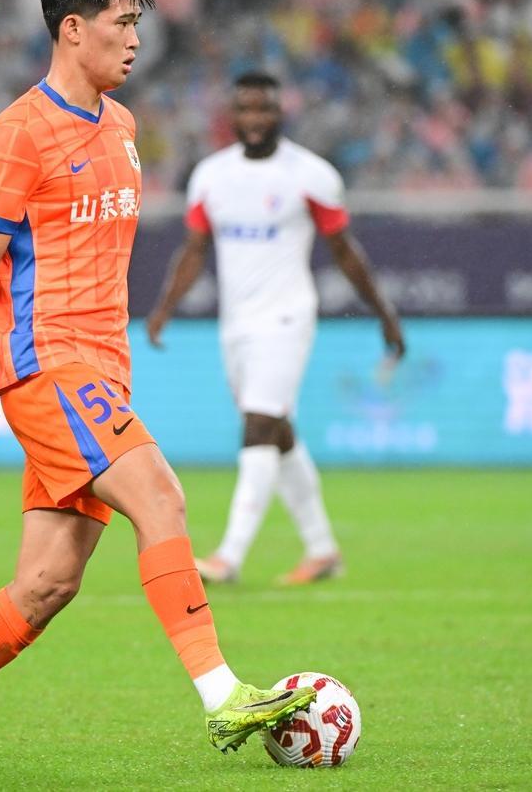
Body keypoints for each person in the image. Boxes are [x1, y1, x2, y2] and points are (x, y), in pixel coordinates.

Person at [0, 0, 316, 765]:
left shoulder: (123, 127)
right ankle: (222, 695)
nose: (137, 40)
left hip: (102, 370)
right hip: (49, 365)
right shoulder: (15, 135)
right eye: (123, 23)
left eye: (139, 23)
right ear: (73, 29)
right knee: (162, 495)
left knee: (47, 583)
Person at [146, 72, 404, 586]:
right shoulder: (211, 176)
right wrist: (164, 307)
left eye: (264, 109)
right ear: (232, 116)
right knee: (279, 433)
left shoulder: (311, 175)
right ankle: (322, 549)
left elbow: (344, 251)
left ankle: (229, 556)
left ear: (280, 113)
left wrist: (383, 312)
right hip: (236, 324)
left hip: (287, 317)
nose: (255, 119)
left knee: (259, 425)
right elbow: (195, 249)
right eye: (245, 109)